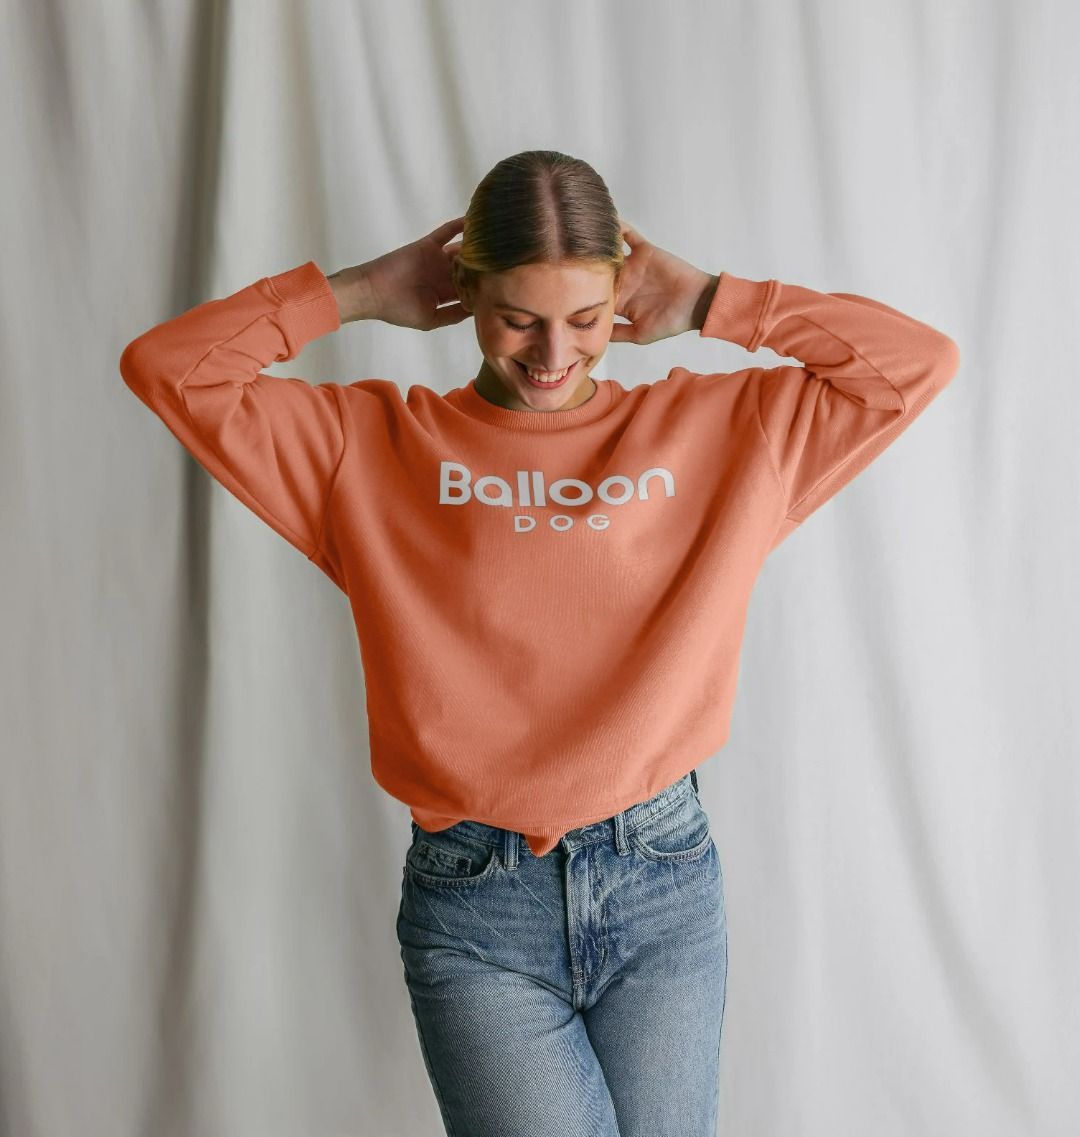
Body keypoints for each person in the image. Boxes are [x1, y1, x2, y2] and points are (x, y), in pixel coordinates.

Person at [120, 149, 959, 1136]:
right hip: (478, 908)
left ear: (624, 301)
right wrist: (357, 292)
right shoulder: (374, 449)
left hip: (663, 884)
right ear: (468, 294)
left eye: (587, 318)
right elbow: (167, 368)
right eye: (518, 316)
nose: (553, 353)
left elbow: (916, 364)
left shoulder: (720, 434)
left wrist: (718, 301)